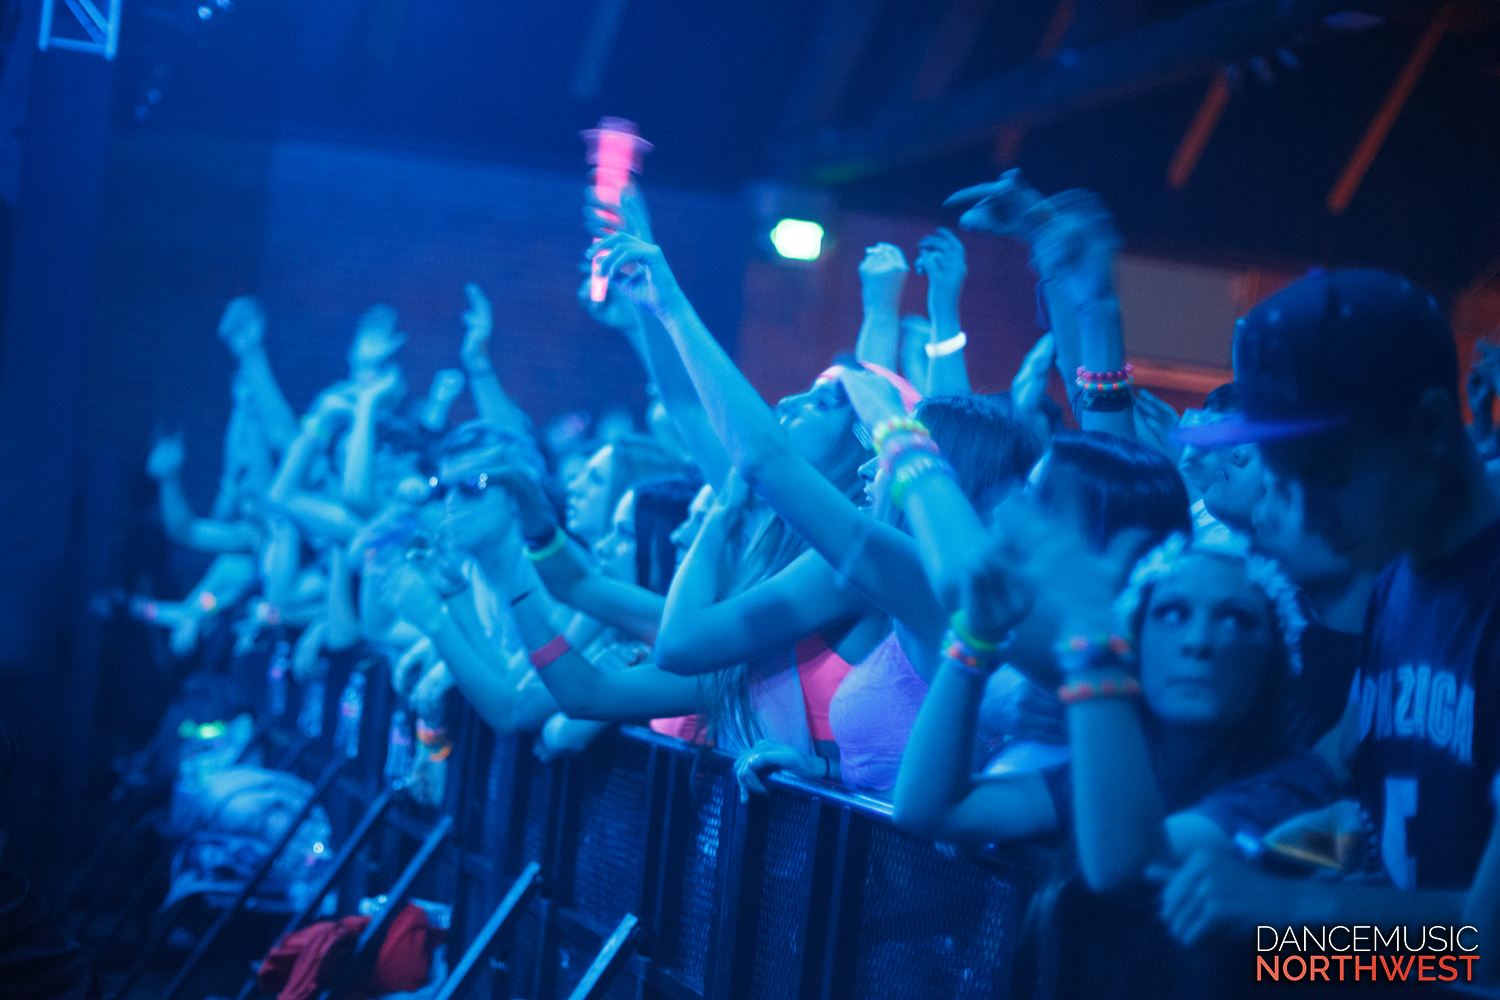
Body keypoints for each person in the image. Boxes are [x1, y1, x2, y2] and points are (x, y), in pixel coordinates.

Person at [1160, 269, 1500, 978]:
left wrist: (1287, 920)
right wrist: (1257, 853)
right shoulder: (1397, 578)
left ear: (1433, 428)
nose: (1304, 516)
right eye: (1286, 480)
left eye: (1332, 476)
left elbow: (1486, 948)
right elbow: (1375, 827)